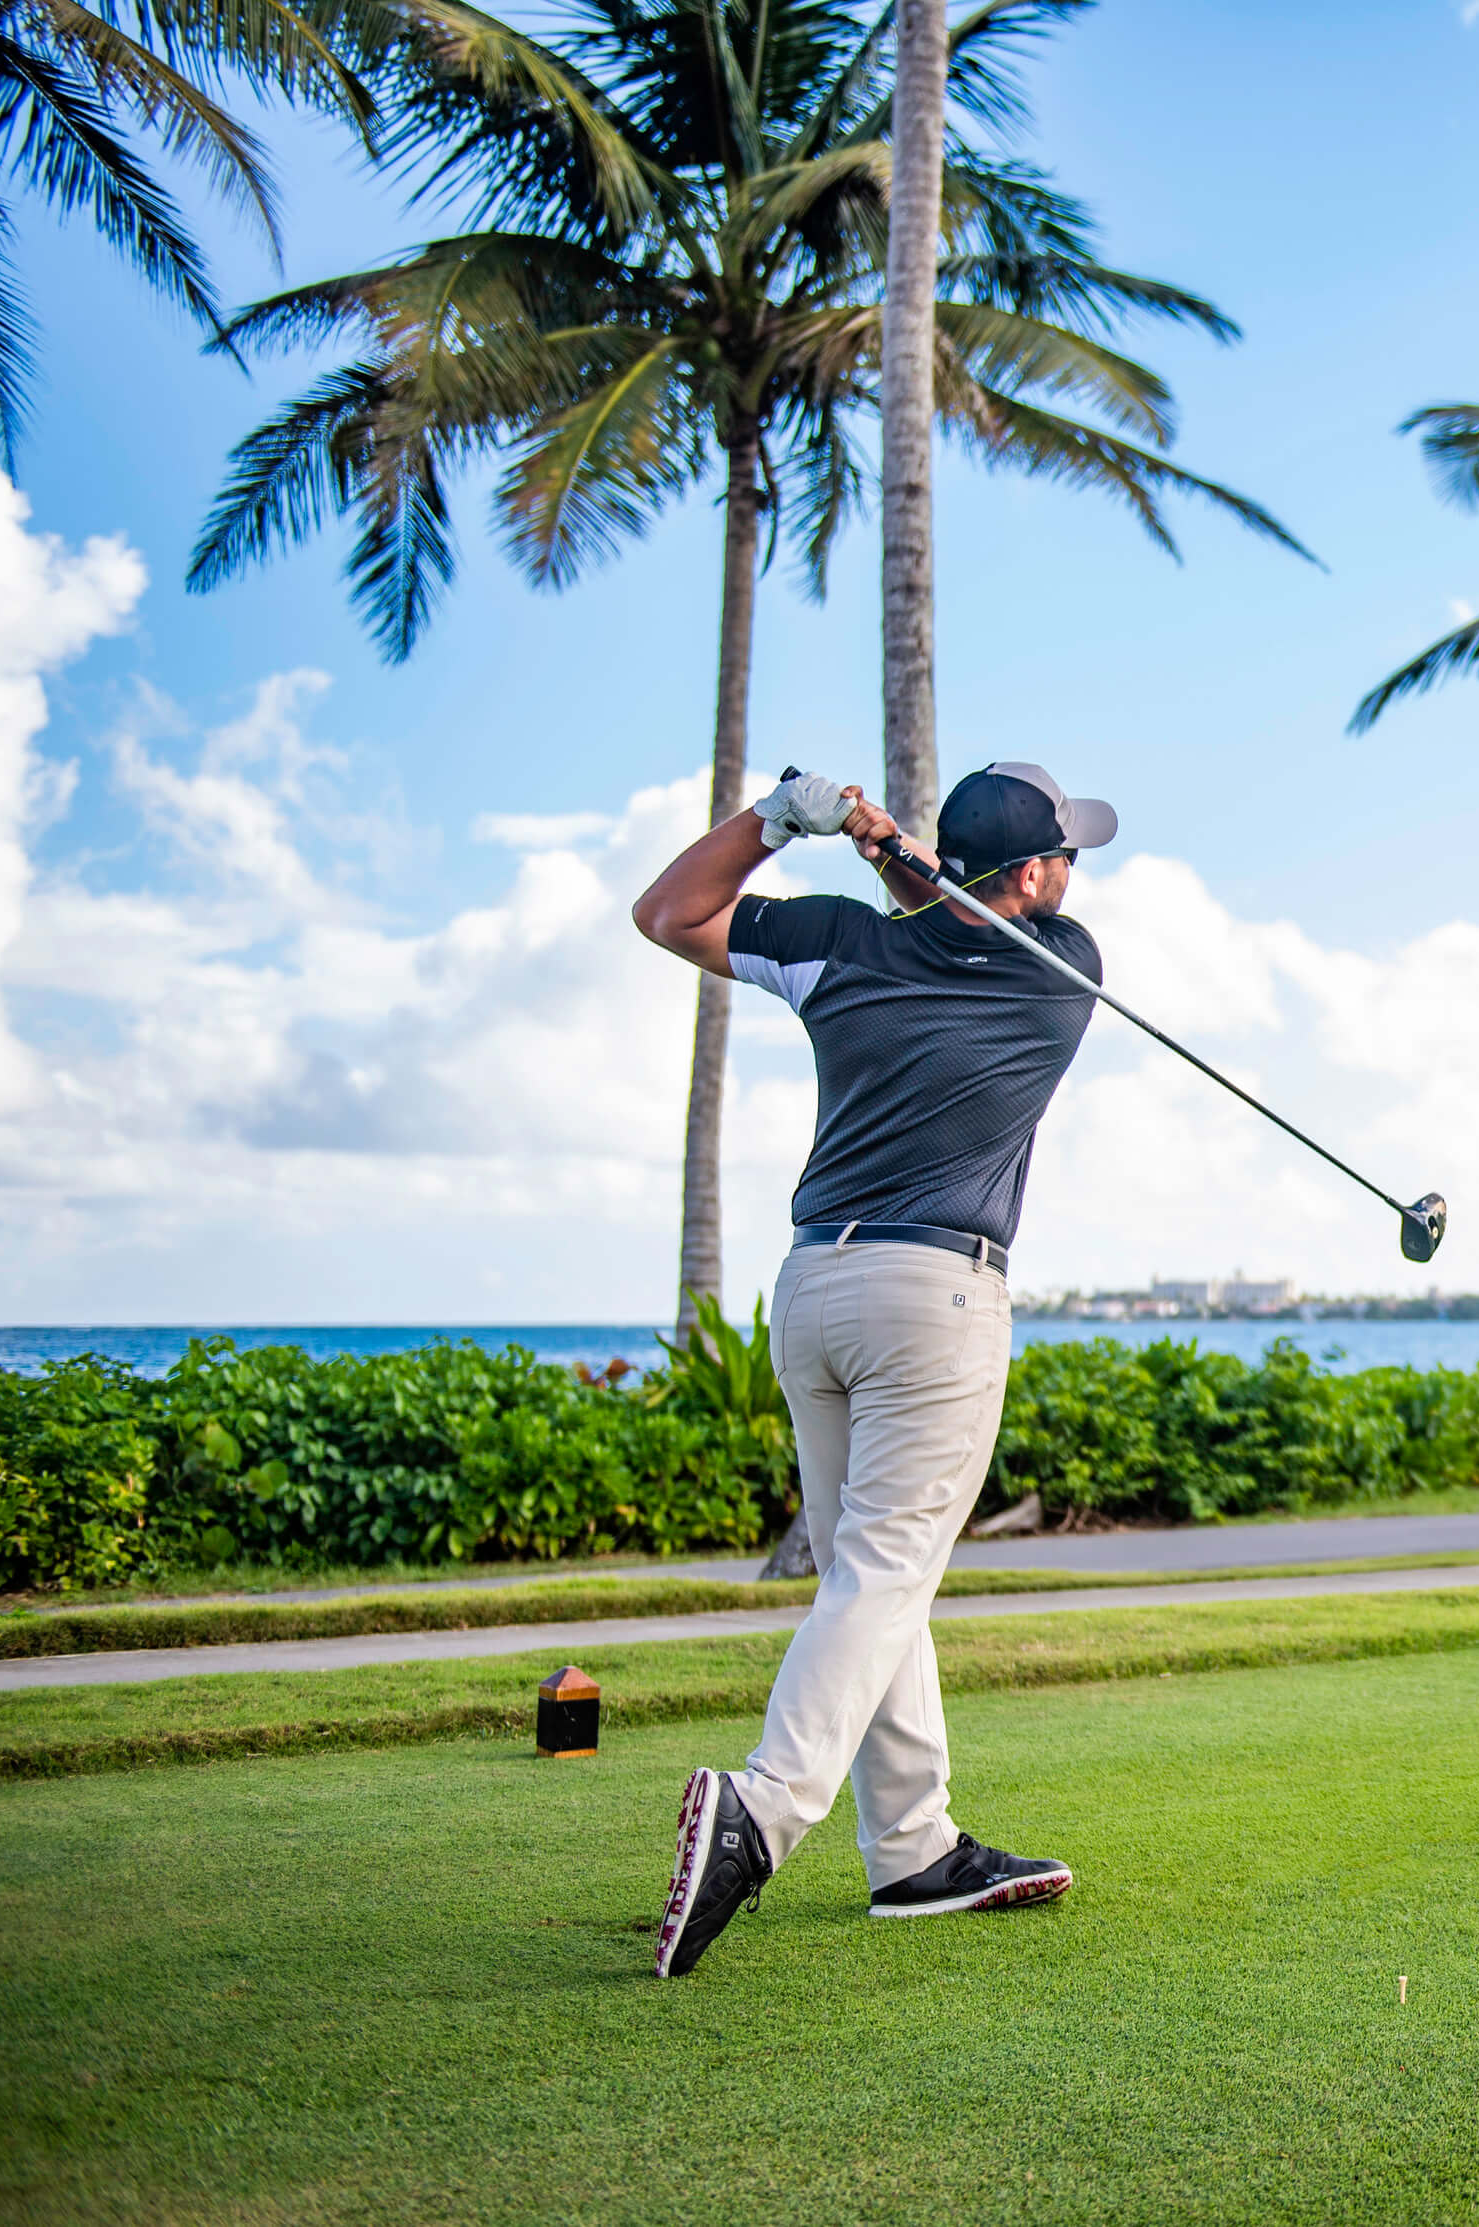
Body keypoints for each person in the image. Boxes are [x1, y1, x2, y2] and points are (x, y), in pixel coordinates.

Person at [628, 760, 1120, 1978]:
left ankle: (912, 1847)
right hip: (936, 1298)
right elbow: (961, 913)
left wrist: (781, 823)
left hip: (811, 1291)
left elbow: (668, 915)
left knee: (872, 1574)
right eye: (1067, 854)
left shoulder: (840, 945)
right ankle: (764, 1808)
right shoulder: (1061, 969)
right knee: (889, 1569)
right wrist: (888, 852)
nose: (1075, 874)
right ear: (1038, 874)